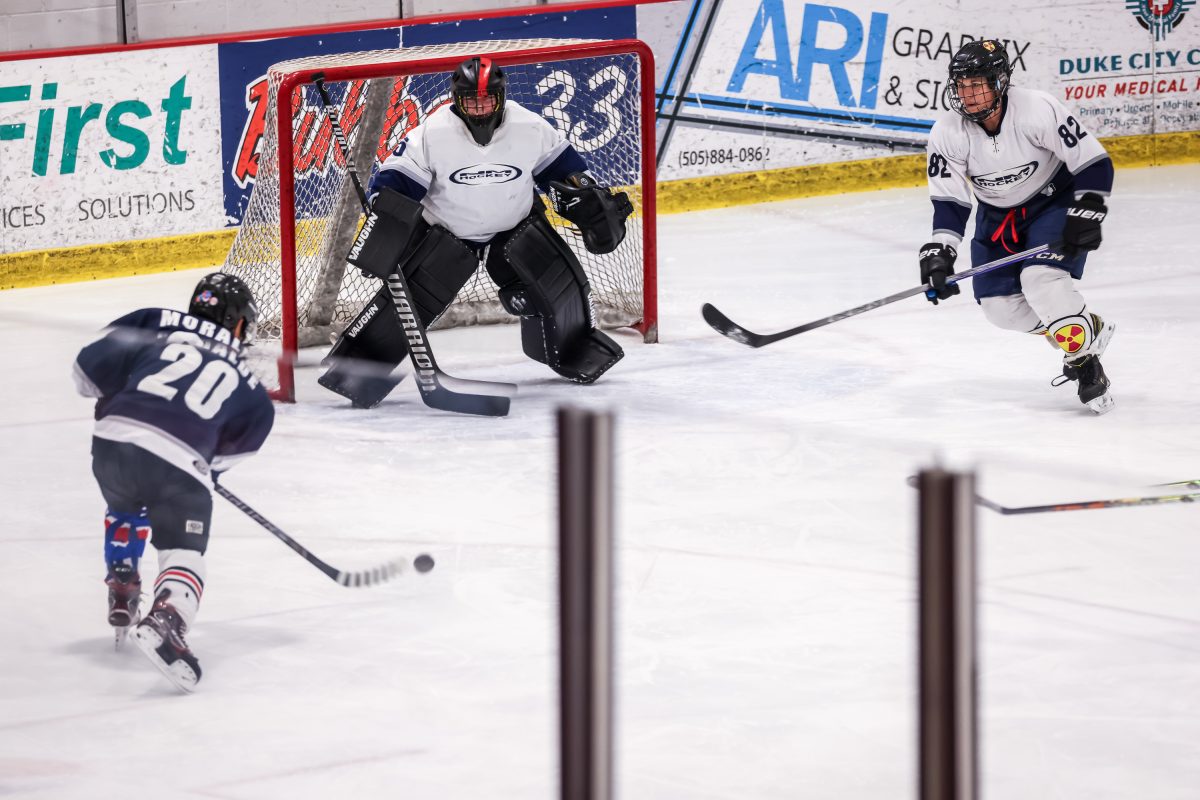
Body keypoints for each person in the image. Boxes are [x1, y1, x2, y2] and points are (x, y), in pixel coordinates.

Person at [319, 55, 635, 408]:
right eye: (471, 101)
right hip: (446, 235)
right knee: (406, 306)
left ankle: (574, 348)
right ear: (457, 99)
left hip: (514, 229)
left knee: (561, 291)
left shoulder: (530, 126)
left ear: (501, 96)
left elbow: (565, 173)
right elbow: (396, 183)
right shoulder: (432, 133)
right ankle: (357, 370)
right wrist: (384, 223)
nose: (480, 108)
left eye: (487, 100)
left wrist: (587, 202)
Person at [73, 273, 274, 692]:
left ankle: (123, 579)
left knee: (126, 503)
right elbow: (225, 458)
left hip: (111, 444)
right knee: (184, 550)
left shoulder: (152, 321)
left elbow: (84, 372)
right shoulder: (253, 388)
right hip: (176, 461)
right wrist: (202, 467)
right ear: (239, 324)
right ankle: (168, 619)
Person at [919, 39, 1116, 413]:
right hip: (997, 219)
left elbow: (1093, 161)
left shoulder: (1037, 109)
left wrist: (1088, 210)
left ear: (1000, 81)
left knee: (1042, 280)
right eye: (961, 85)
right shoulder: (947, 132)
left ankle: (1084, 362)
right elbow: (950, 201)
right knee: (1001, 310)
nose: (968, 95)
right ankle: (1082, 327)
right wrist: (940, 250)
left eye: (977, 84)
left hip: (1053, 203)